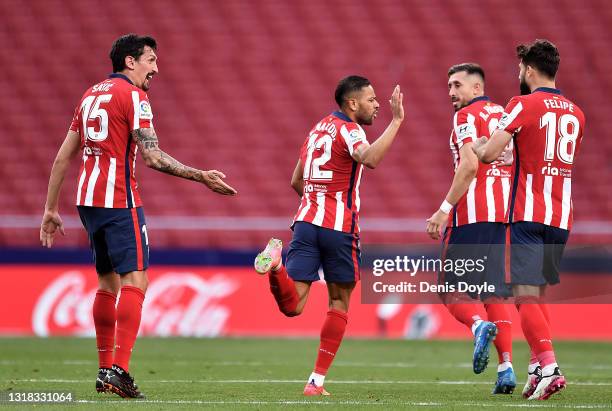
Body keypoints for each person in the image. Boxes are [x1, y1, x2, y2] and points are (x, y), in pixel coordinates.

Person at [39, 34, 237, 399]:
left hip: (88, 201)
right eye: (151, 60)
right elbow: (154, 157)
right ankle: (120, 370)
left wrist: (51, 209)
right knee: (136, 281)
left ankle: (103, 370)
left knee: (107, 284)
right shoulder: (134, 96)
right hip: (118, 200)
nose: (156, 69)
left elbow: (64, 155)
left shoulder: (89, 95)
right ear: (130, 61)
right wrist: (201, 176)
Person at [254, 76, 404, 396]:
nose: (377, 105)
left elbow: (297, 179)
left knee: (293, 306)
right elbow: (370, 159)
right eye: (371, 99)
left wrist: (316, 205)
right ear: (352, 104)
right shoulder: (351, 130)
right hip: (340, 229)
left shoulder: (316, 129)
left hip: (306, 223)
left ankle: (276, 267)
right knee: (339, 302)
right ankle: (316, 382)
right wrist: (397, 121)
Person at [473, 39, 585, 400]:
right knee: (536, 294)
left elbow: (489, 152)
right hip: (561, 214)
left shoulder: (523, 104)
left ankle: (550, 368)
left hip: (528, 212)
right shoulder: (575, 112)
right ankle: (538, 367)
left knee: (523, 295)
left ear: (530, 69)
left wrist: (477, 146)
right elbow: (545, 157)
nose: (519, 73)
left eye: (521, 67)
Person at [426, 63, 515, 394]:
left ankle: (477, 327)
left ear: (477, 88)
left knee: (449, 289)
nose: (451, 92)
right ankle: (506, 367)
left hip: (472, 214)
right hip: (502, 214)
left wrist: (443, 210)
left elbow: (468, 164)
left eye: (457, 85)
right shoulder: (506, 115)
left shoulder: (466, 116)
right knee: (494, 292)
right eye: (449, 85)